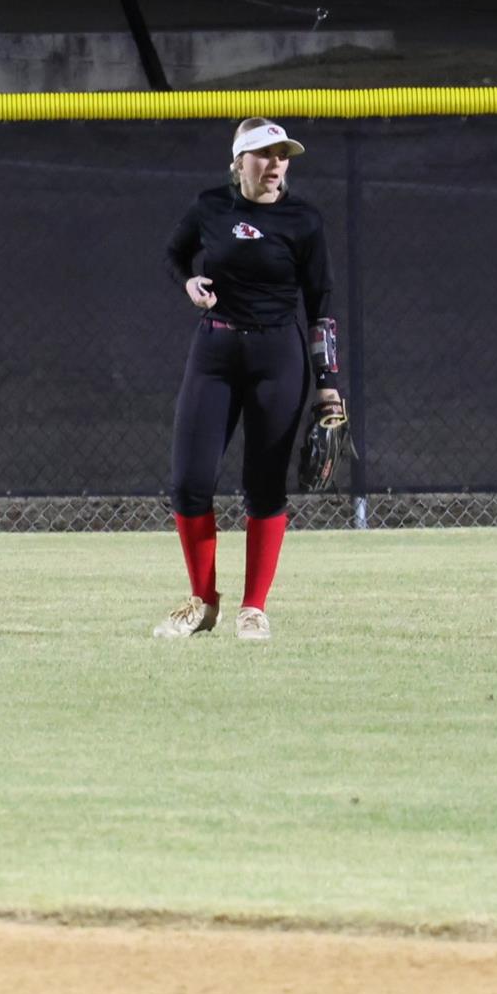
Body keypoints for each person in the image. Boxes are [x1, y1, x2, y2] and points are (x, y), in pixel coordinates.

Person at [156, 118, 345, 640]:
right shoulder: (211, 206)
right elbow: (174, 255)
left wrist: (328, 379)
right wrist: (189, 281)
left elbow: (321, 303)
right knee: (189, 483)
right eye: (265, 154)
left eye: (283, 155)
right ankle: (203, 601)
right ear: (239, 161)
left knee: (263, 487)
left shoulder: (303, 220)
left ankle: (253, 608)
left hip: (277, 355)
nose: (277, 164)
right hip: (214, 349)